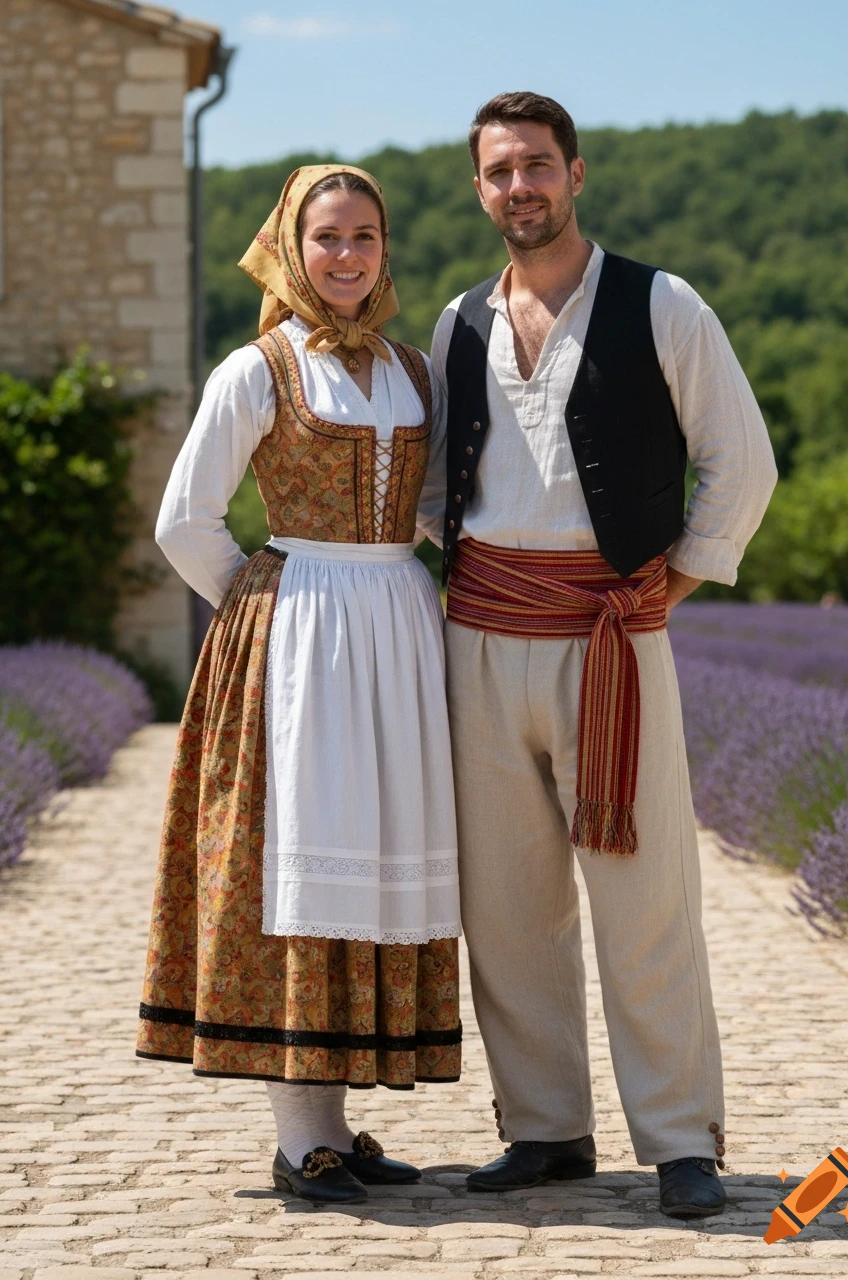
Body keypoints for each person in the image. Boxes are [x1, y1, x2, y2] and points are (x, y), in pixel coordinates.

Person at [420, 93, 777, 1218]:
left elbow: (741, 462)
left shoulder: (661, 304)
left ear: (576, 175)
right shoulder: (458, 320)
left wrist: (662, 588)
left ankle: (678, 1136)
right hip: (481, 638)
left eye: (536, 165)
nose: (518, 186)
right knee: (508, 906)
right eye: (498, 171)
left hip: (613, 641)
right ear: (478, 190)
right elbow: (434, 490)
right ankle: (544, 1128)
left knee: (645, 895)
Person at [136, 164, 462, 1206]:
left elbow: (435, 508)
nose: (347, 255)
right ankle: (297, 1140)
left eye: (364, 235)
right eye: (326, 236)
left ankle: (333, 1121)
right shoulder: (257, 369)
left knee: (371, 853)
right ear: (289, 247)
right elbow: (184, 518)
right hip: (300, 633)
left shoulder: (414, 369)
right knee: (298, 859)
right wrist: (259, 603)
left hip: (397, 625)